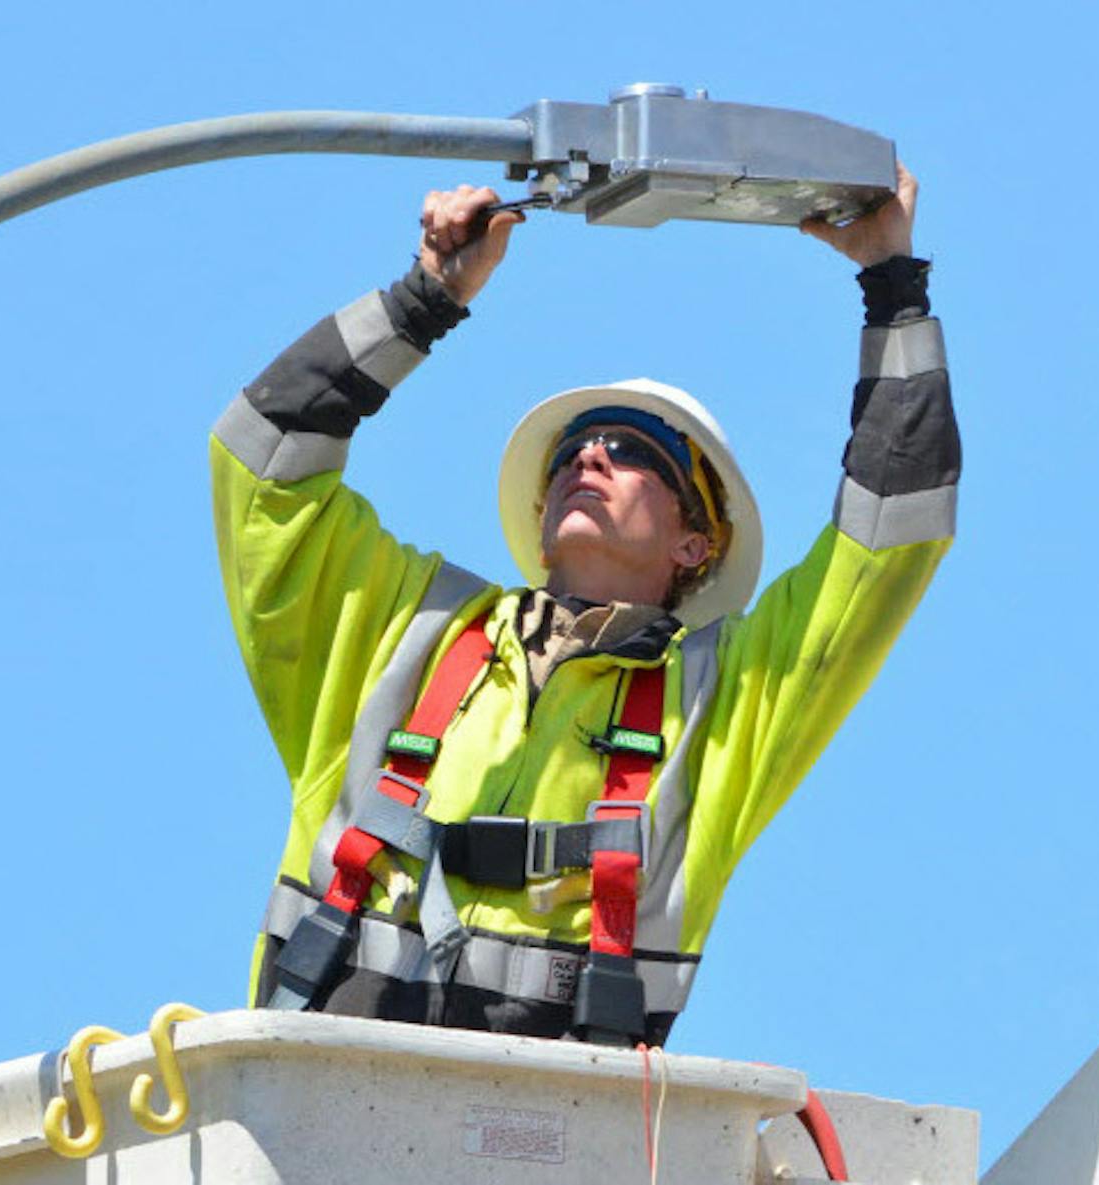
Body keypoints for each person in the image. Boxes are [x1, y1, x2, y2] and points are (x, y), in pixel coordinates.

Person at [209, 165, 957, 1047]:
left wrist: (893, 287)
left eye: (634, 450)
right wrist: (422, 301)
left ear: (695, 543)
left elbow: (891, 537)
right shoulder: (398, 628)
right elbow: (260, 463)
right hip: (318, 1119)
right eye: (574, 446)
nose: (590, 456)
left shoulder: (726, 700)